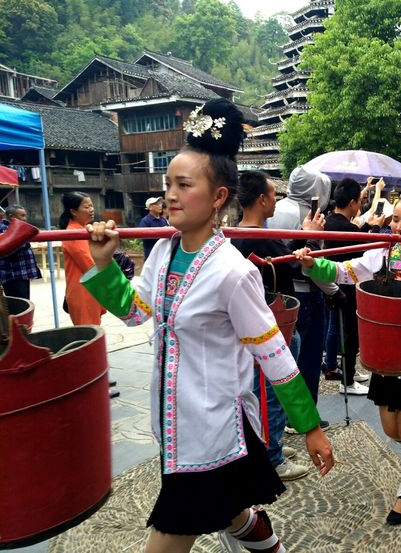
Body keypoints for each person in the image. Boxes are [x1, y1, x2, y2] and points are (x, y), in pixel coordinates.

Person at [81, 99, 334, 553]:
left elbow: (274, 354)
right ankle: (265, 542)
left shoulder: (233, 272)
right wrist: (103, 269)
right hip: (174, 420)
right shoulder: (162, 252)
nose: (170, 195)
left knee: (168, 538)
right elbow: (138, 312)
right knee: (230, 511)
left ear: (219, 197)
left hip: (214, 425)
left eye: (184, 184)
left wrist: (310, 426)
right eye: (168, 185)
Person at [295, 164, 401, 525]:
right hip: (388, 358)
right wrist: (313, 265)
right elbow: (345, 272)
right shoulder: (380, 256)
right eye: (395, 220)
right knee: (391, 429)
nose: (398, 226)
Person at [231, 170, 325, 482]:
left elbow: (286, 257)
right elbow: (296, 262)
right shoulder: (259, 238)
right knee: (273, 389)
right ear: (261, 199)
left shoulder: (236, 234)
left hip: (259, 322)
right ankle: (271, 456)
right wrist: (309, 234)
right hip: (273, 324)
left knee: (263, 389)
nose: (276, 200)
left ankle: (270, 444)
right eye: (273, 194)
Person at [267, 165, 338, 424]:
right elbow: (311, 262)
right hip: (306, 292)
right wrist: (334, 290)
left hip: (279, 291)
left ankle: (281, 416)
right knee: (307, 358)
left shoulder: (276, 208)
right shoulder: (308, 213)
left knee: (284, 359)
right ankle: (304, 418)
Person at [321, 177, 385, 395]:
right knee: (350, 334)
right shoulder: (343, 227)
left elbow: (357, 235)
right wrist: (375, 229)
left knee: (341, 331)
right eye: (359, 200)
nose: (360, 204)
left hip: (336, 284)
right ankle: (347, 381)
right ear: (352, 203)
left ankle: (349, 372)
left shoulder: (331, 222)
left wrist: (369, 226)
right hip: (346, 287)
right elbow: (366, 248)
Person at [59, 192, 107, 325]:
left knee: (91, 333)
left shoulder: (81, 230)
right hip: (84, 292)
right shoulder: (74, 233)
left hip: (87, 289)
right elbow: (90, 266)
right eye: (86, 207)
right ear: (73, 211)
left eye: (91, 206)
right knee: (90, 336)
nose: (91, 209)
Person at [0, 205, 41, 299]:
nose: (25, 219)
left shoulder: (13, 228)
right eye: (21, 216)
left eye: (25, 215)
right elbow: (14, 246)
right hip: (13, 275)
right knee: (20, 306)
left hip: (19, 274)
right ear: (11, 216)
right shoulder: (5, 229)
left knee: (23, 302)